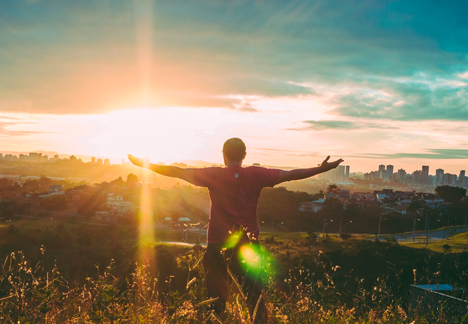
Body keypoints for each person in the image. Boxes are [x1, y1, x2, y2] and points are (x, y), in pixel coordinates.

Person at [128, 138, 343, 323]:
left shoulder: (214, 175)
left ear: (223, 155)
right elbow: (291, 174)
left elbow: (176, 172)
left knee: (216, 301)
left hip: (218, 245)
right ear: (244, 155)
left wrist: (144, 165)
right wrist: (322, 169)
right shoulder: (257, 175)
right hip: (248, 245)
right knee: (255, 298)